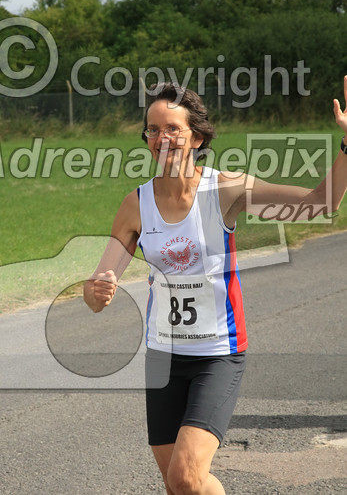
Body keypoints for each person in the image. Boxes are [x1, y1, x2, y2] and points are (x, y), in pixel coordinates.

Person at [83, 77, 347, 495]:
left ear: (198, 137)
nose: (161, 137)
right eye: (153, 129)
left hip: (217, 355)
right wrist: (97, 288)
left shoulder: (225, 190)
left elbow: (322, 202)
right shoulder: (137, 203)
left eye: (172, 128)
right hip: (163, 358)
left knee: (185, 476)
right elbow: (97, 289)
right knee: (182, 486)